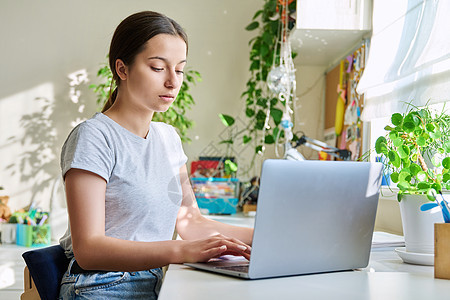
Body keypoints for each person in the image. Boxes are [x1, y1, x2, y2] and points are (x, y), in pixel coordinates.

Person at [59, 11, 252, 299]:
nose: (173, 82)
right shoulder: (94, 136)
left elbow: (191, 223)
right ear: (122, 69)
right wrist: (181, 251)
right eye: (158, 68)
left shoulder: (169, 138)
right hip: (102, 285)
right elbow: (89, 250)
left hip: (157, 280)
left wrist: (270, 236)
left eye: (181, 69)